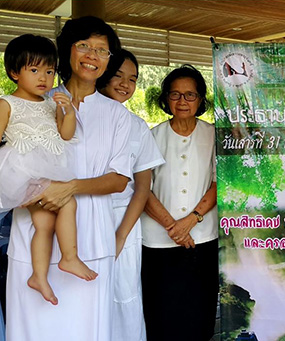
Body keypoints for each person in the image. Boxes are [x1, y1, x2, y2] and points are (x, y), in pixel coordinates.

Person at [6, 16, 132, 340]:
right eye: (84, 46)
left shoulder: (118, 115)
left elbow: (120, 180)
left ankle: (70, 257)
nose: (92, 55)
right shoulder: (31, 99)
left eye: (102, 51)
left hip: (93, 243)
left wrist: (70, 188)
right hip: (33, 235)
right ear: (68, 51)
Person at [0, 34, 98, 306]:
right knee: (67, 204)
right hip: (21, 170)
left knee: (44, 224)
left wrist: (67, 112)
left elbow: (65, 135)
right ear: (14, 73)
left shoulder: (51, 102)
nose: (43, 77)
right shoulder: (7, 103)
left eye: (49, 71)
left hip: (47, 169)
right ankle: (69, 257)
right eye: (34, 70)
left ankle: (38, 277)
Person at [140, 64, 218, 341]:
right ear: (165, 99)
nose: (182, 101)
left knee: (200, 312)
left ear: (201, 100)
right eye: (175, 94)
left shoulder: (214, 135)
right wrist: (173, 226)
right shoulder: (150, 136)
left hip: (203, 237)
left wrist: (191, 220)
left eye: (190, 95)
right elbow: (143, 189)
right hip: (158, 241)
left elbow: (218, 183)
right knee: (161, 313)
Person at [97, 49, 164, 341]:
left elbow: (143, 187)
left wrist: (121, 235)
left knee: (123, 296)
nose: (125, 84)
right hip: (80, 218)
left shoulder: (137, 126)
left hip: (123, 219)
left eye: (133, 78)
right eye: (118, 75)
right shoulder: (75, 116)